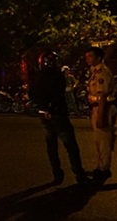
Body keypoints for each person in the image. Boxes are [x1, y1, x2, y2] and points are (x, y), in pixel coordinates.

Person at [28, 52, 88, 185]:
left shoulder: (37, 77)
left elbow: (32, 94)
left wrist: (44, 107)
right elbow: (59, 94)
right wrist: (51, 107)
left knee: (51, 147)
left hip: (44, 114)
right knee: (71, 145)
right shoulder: (58, 77)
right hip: (59, 113)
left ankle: (57, 174)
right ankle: (79, 174)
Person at [84, 46, 117, 183]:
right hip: (100, 107)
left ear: (98, 58)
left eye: (90, 56)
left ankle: (103, 169)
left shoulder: (102, 72)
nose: (87, 59)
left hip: (104, 108)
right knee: (111, 139)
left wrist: (101, 114)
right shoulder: (94, 71)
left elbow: (103, 95)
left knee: (102, 139)